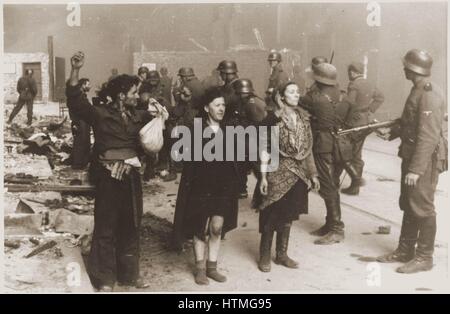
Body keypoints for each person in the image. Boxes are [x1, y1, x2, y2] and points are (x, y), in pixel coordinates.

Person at [66, 51, 154, 292]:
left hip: (131, 178)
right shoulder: (101, 114)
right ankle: (105, 279)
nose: (137, 96)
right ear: (121, 95)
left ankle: (130, 275)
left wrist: (160, 118)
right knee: (106, 225)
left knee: (132, 224)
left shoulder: (140, 116)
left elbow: (152, 141)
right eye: (134, 92)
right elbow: (75, 101)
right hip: (108, 178)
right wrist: (75, 70)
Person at [376, 49, 447, 274]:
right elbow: (411, 122)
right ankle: (405, 250)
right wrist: (394, 132)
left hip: (423, 160)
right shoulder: (418, 89)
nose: (403, 69)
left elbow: (428, 134)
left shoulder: (428, 92)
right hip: (412, 155)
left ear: (413, 69)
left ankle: (425, 257)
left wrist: (416, 169)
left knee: (422, 205)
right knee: (409, 202)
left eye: (406, 66)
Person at [172, 87, 240, 285]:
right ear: (206, 107)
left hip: (222, 187)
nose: (221, 109)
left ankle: (212, 267)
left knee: (217, 228)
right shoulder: (195, 129)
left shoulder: (229, 129)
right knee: (199, 228)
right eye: (217, 105)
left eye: (223, 105)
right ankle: (200, 268)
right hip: (200, 187)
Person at [257, 82, 320, 272]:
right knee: (271, 214)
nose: (296, 94)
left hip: (299, 174)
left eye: (297, 91)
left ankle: (282, 254)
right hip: (277, 172)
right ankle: (265, 255)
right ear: (281, 96)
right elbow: (264, 148)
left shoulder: (304, 118)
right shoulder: (273, 118)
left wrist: (313, 174)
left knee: (288, 216)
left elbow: (308, 150)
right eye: (291, 92)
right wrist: (263, 177)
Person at [299, 63, 357, 245]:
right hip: (334, 143)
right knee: (330, 184)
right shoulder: (338, 94)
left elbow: (300, 100)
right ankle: (330, 223)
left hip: (323, 145)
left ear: (318, 79)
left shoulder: (316, 98)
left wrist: (310, 89)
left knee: (328, 186)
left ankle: (336, 229)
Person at [341, 62, 385, 195]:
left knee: (344, 151)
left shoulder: (354, 84)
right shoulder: (370, 83)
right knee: (357, 152)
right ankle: (355, 186)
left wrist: (343, 117)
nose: (349, 74)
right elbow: (380, 97)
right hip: (365, 121)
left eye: (350, 72)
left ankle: (355, 182)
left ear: (353, 72)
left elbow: (350, 103)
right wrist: (369, 110)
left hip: (353, 122)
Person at [66, 77, 92, 169]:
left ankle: (81, 163)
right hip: (80, 122)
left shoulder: (81, 95)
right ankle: (78, 164)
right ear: (83, 85)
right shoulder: (78, 97)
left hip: (82, 122)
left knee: (83, 142)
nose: (90, 86)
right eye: (88, 84)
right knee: (80, 143)